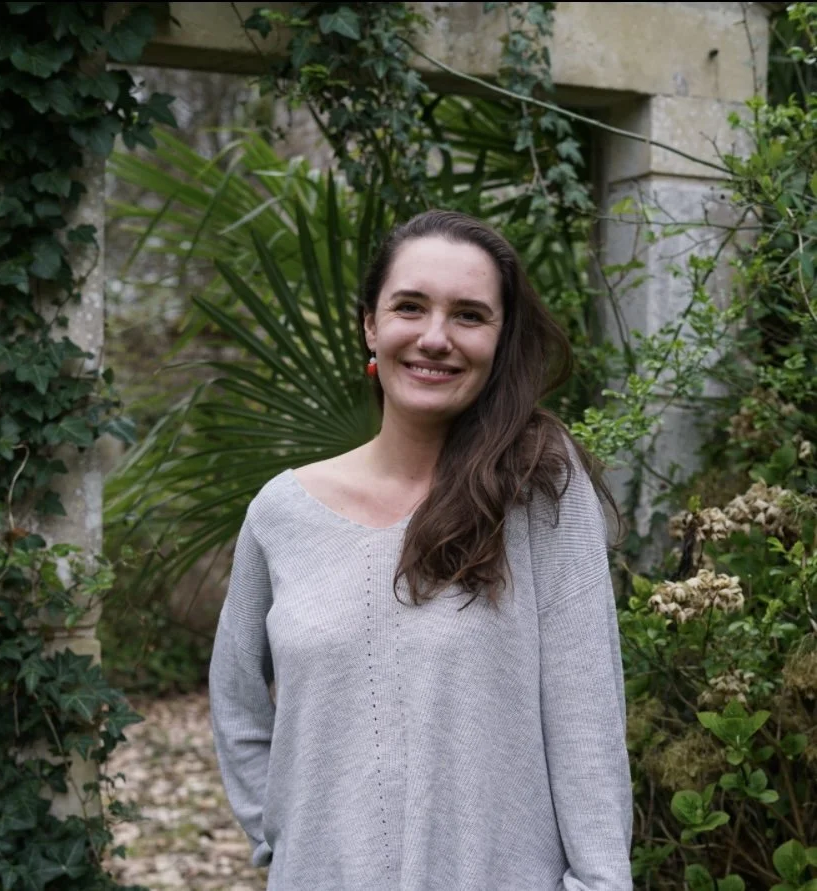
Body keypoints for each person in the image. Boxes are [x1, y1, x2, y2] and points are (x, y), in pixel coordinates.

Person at [209, 210, 633, 890]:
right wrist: (283, 833)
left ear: (500, 339)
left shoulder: (540, 492)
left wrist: (601, 880)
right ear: (371, 325)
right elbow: (236, 698)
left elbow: (587, 717)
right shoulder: (280, 513)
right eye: (410, 306)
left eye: (469, 315)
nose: (435, 337)